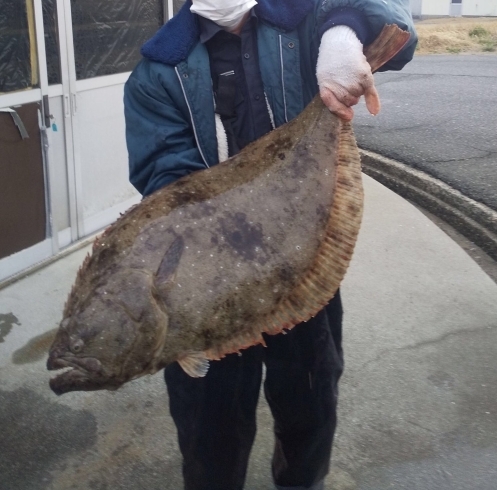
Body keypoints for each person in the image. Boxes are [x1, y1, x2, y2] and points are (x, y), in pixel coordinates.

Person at [124, 1, 417, 489]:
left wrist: (344, 31)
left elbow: (397, 27)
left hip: (300, 265)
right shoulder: (156, 71)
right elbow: (163, 178)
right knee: (208, 431)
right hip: (209, 290)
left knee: (310, 405)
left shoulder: (305, 23)